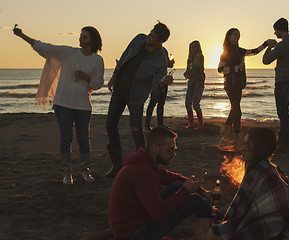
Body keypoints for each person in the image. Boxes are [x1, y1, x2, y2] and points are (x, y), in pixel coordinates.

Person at [13, 25, 104, 185]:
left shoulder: (98, 60)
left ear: (92, 40)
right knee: (66, 137)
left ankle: (85, 171)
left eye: (85, 37)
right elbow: (45, 48)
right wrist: (22, 35)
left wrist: (86, 77)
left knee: (83, 138)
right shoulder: (69, 53)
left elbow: (97, 84)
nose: (81, 39)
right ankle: (66, 173)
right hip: (63, 103)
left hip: (83, 104)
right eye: (81, 36)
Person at [108, 126, 212, 239]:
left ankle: (217, 221)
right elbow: (158, 213)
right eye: (170, 150)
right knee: (193, 200)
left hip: (140, 220)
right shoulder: (141, 172)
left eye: (174, 150)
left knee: (177, 185)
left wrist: (202, 191)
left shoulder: (147, 163)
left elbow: (174, 178)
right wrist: (185, 191)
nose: (173, 154)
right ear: (154, 148)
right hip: (132, 234)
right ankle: (222, 224)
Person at [193, 128, 289, 239]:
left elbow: (248, 222)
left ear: (259, 148)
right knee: (201, 224)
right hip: (248, 224)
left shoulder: (264, 177)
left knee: (204, 232)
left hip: (261, 232)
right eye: (243, 144)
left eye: (247, 145)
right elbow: (243, 216)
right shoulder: (258, 170)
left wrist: (215, 233)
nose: (242, 149)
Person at [105, 21, 174, 177]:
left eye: (153, 35)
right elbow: (124, 57)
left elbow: (156, 87)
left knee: (136, 130)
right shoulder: (138, 39)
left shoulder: (160, 58)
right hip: (120, 88)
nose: (149, 35)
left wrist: (163, 83)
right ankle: (116, 164)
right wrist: (114, 77)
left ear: (160, 41)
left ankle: (145, 166)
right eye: (151, 32)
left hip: (136, 95)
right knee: (110, 123)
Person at [218, 28, 269, 135]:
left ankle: (227, 129)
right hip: (230, 84)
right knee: (237, 109)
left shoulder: (240, 51)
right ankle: (235, 130)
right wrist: (236, 67)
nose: (237, 36)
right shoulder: (226, 52)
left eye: (239, 35)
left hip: (239, 83)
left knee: (235, 108)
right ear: (229, 36)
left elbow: (254, 51)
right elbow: (220, 69)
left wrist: (265, 44)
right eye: (235, 34)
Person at [262, 17, 289, 151]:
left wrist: (269, 47)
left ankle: (284, 141)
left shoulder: (283, 44)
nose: (274, 34)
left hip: (283, 81)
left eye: (275, 30)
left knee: (282, 113)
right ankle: (283, 139)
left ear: (279, 30)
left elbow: (266, 60)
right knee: (284, 112)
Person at [144, 51, 175, 132]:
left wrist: (171, 63)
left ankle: (160, 125)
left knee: (161, 104)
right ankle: (147, 125)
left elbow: (167, 64)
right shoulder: (152, 52)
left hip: (164, 81)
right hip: (156, 83)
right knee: (152, 103)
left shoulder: (164, 51)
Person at [184, 40, 206, 130]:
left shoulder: (200, 57)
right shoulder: (189, 59)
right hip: (191, 82)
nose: (192, 49)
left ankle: (201, 123)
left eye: (194, 47)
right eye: (191, 47)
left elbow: (200, 68)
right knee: (187, 103)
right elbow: (189, 70)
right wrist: (186, 73)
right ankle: (191, 122)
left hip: (198, 82)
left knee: (196, 104)